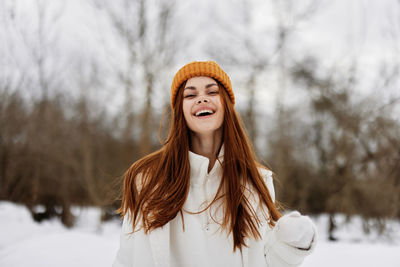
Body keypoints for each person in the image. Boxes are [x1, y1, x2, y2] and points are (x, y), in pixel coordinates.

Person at [113, 61, 317, 267]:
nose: (202, 98)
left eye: (212, 92)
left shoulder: (256, 181)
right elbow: (127, 258)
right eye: (190, 95)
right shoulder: (146, 178)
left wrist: (289, 245)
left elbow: (263, 260)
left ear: (226, 104)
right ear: (180, 110)